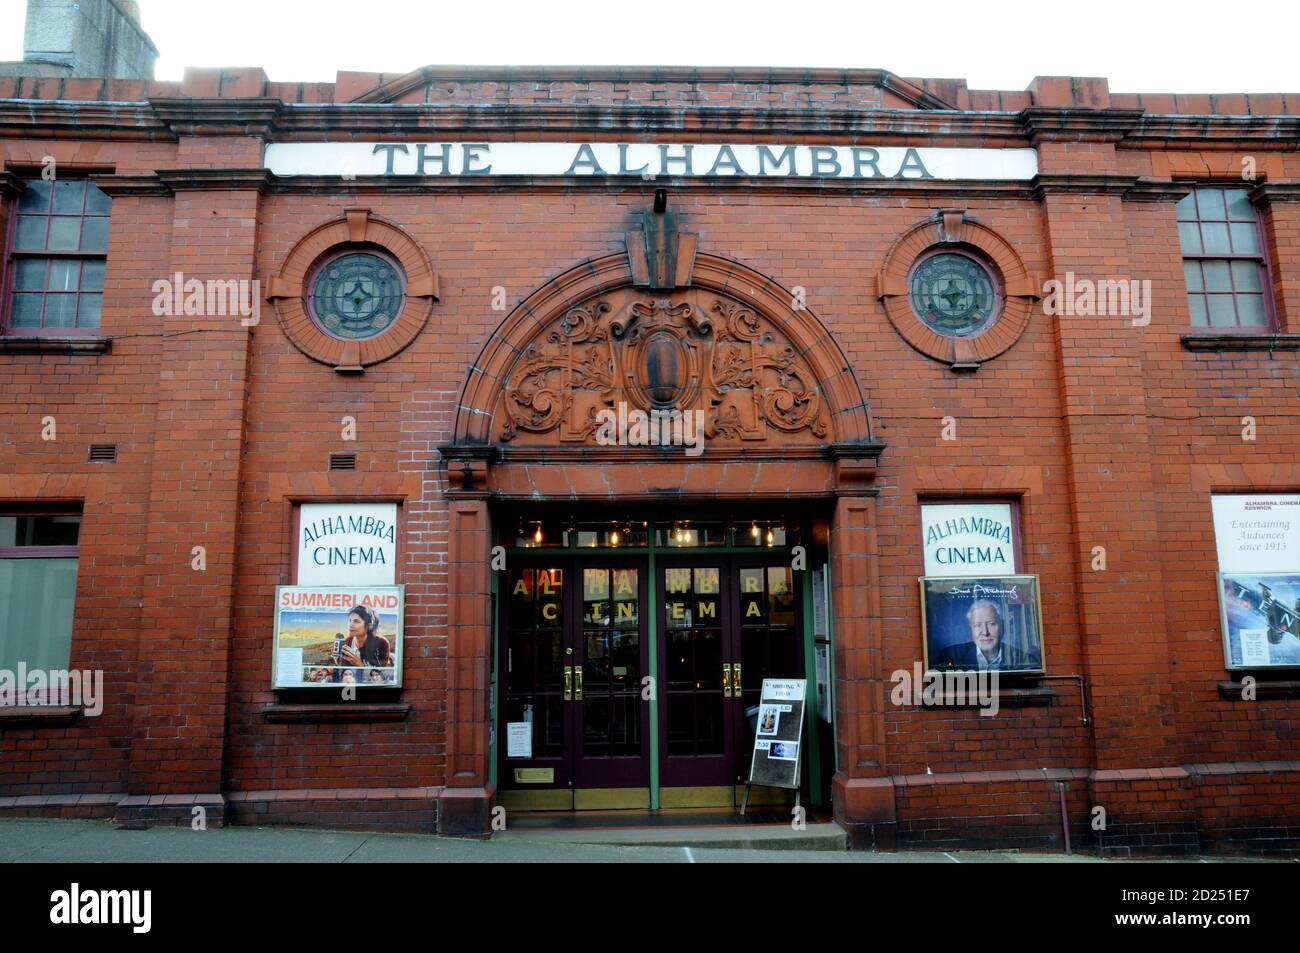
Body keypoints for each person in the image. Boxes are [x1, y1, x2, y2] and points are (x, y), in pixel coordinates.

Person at [932, 599, 1034, 671]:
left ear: (1002, 626)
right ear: (970, 629)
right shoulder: (949, 656)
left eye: (992, 624)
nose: (985, 632)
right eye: (978, 625)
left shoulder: (1022, 658)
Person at [337, 604, 393, 670]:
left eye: (356, 621)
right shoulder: (347, 642)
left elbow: (380, 674)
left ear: (369, 626)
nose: (350, 625)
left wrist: (359, 664)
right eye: (350, 620)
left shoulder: (381, 643)